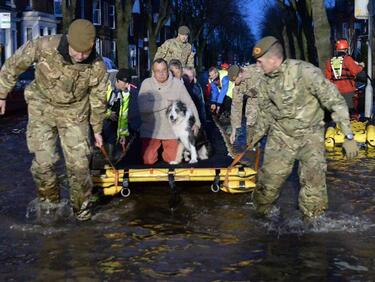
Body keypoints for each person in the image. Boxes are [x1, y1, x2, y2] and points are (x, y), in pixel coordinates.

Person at [0, 19, 108, 221]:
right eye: (77, 51)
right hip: (42, 106)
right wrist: (1, 94)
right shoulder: (44, 46)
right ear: (68, 41)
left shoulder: (97, 66)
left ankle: (81, 212)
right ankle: (50, 205)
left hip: (75, 111)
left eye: (86, 52)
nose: (81, 56)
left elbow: (98, 99)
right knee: (43, 163)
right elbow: (14, 65)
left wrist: (97, 129)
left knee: (79, 166)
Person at [250, 36, 358, 222]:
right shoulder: (264, 82)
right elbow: (265, 112)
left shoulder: (306, 72)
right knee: (267, 186)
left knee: (313, 189)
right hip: (281, 137)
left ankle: (312, 228)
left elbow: (335, 101)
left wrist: (348, 135)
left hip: (311, 137)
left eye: (260, 62)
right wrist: (255, 138)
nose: (258, 67)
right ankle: (262, 222)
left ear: (273, 59)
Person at [137, 58, 201, 165]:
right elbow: (142, 107)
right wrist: (165, 103)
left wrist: (197, 123)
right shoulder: (146, 84)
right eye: (158, 71)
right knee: (148, 160)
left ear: (168, 70)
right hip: (151, 130)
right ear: (153, 72)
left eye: (164, 70)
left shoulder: (177, 84)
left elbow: (189, 103)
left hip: (171, 131)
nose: (161, 73)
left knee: (173, 160)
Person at [325, 38, 366, 118]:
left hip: (336, 92)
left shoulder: (329, 62)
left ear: (337, 49)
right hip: (349, 91)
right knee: (352, 113)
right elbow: (356, 71)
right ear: (346, 49)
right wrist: (361, 65)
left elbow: (328, 78)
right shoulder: (347, 59)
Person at [103, 68, 137, 160]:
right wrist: (108, 113)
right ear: (117, 80)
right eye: (124, 82)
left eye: (128, 83)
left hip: (113, 119)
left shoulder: (126, 92)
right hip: (98, 117)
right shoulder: (105, 85)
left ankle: (110, 159)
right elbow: (96, 105)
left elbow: (124, 114)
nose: (126, 85)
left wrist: (122, 134)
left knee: (113, 134)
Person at [228, 64, 263, 146]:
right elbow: (235, 106)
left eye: (234, 80)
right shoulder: (238, 85)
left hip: (269, 96)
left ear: (240, 74)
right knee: (251, 121)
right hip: (254, 98)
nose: (234, 83)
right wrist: (234, 132)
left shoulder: (257, 70)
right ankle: (250, 145)